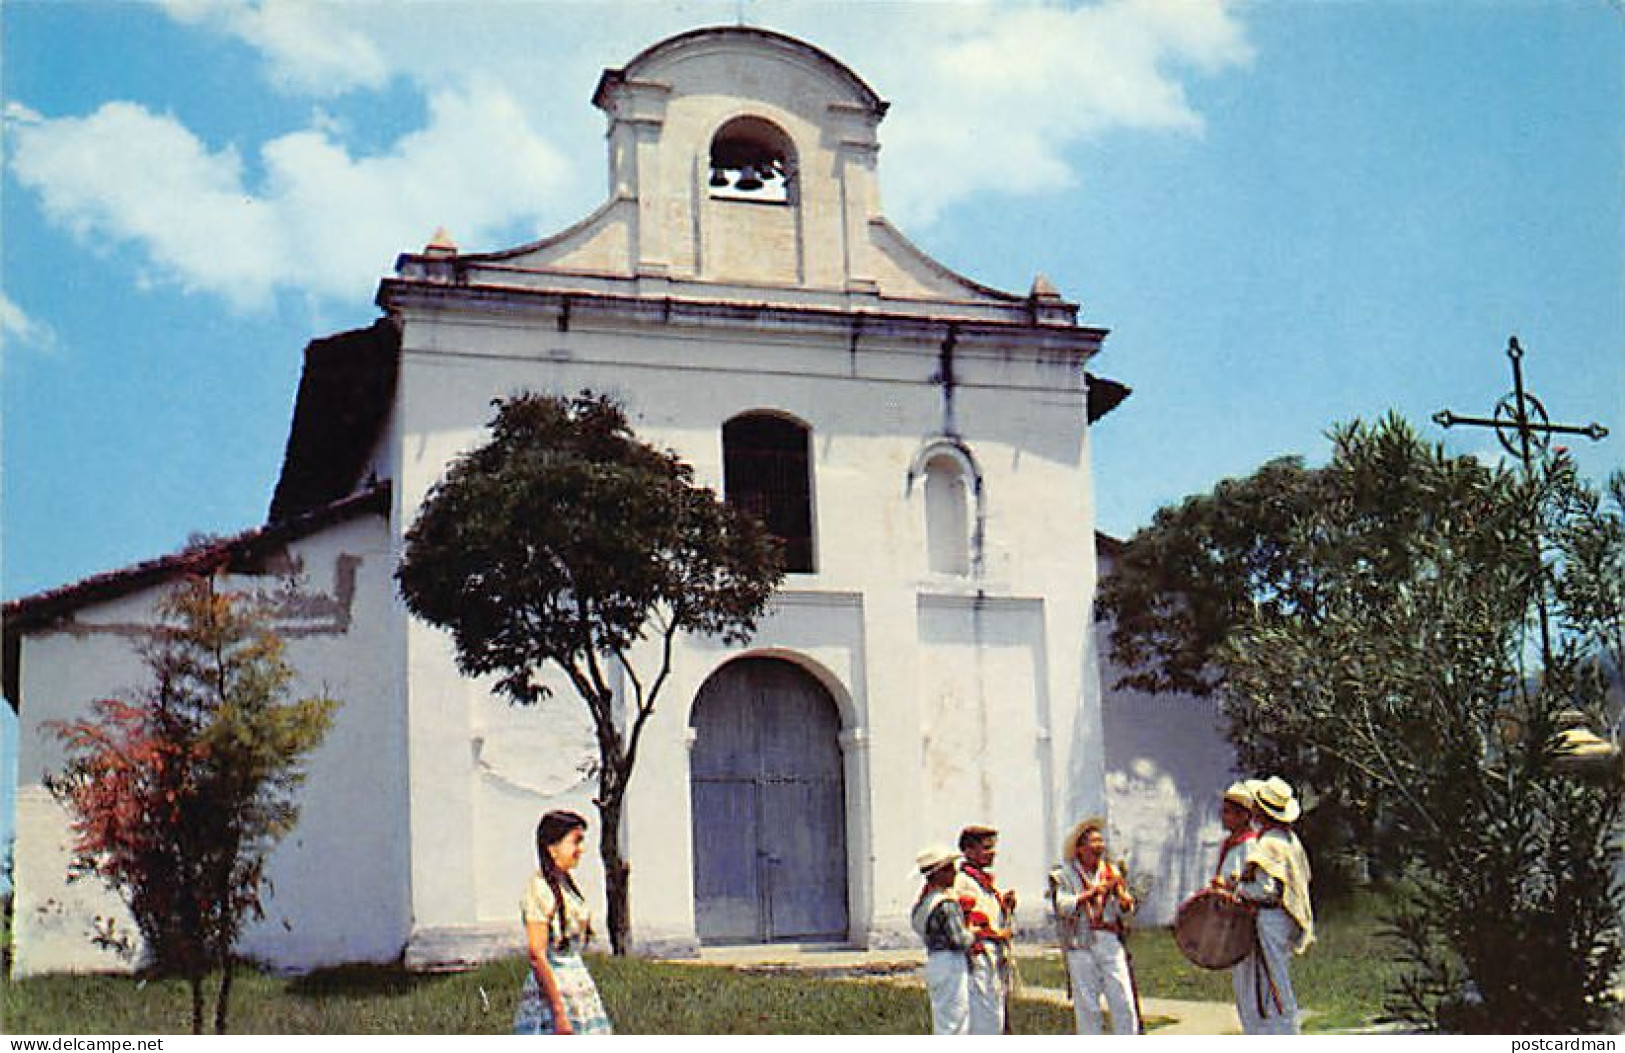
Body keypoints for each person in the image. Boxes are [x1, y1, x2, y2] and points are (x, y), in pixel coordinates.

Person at [513, 810, 614, 1035]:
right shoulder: (539, 890)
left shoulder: (565, 886)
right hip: (553, 995)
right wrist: (558, 1012)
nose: (581, 850)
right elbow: (537, 955)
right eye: (575, 842)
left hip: (576, 989)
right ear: (552, 847)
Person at [1234, 776, 1314, 1035]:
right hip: (1281, 919)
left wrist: (1238, 888)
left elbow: (1267, 891)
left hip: (1270, 919)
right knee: (1271, 982)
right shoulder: (1288, 839)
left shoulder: (1269, 844)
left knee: (1273, 984)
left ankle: (1283, 1033)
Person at [1047, 817, 1139, 1035]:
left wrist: (1125, 902)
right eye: (1094, 842)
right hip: (1080, 942)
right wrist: (1090, 894)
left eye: (1101, 841)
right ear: (1079, 848)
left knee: (1123, 997)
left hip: (1108, 939)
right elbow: (1063, 906)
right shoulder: (1065, 875)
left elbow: (1122, 908)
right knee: (1087, 1005)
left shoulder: (1111, 872)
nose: (1100, 846)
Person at [953, 824, 1016, 1035]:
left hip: (993, 955)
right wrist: (995, 934)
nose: (993, 853)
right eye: (986, 848)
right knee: (984, 1013)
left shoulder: (983, 883)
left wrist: (1004, 907)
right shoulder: (962, 882)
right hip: (979, 955)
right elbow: (967, 921)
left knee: (995, 1012)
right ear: (969, 851)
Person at [911, 845, 974, 1035]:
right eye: (948, 869)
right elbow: (960, 940)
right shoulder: (946, 904)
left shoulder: (925, 902)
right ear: (937, 874)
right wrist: (975, 932)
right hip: (951, 962)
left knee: (944, 1018)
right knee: (956, 1019)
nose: (954, 873)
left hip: (936, 962)